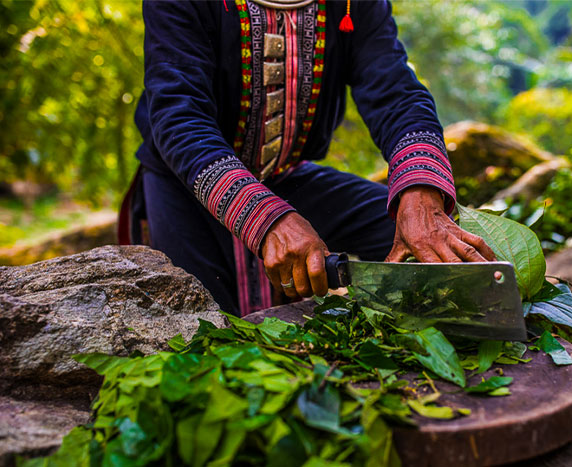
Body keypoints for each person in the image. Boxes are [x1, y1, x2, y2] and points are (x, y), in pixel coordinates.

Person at [120, 0, 495, 317]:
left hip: (287, 176)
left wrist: (421, 192)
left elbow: (395, 93)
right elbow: (179, 116)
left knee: (435, 250)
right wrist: (265, 218)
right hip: (185, 186)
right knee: (200, 329)